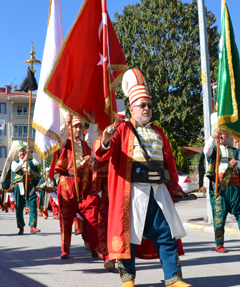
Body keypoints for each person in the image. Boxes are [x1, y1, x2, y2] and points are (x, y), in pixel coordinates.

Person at [94, 69, 190, 287]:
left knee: (167, 234)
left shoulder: (159, 132)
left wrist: (174, 188)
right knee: (128, 237)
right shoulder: (121, 129)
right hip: (132, 193)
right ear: (131, 108)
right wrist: (106, 139)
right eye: (142, 105)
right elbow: (101, 153)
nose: (147, 108)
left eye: (149, 105)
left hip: (158, 192)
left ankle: (173, 279)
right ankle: (128, 280)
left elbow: (170, 164)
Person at [204, 126, 240, 253]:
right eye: (219, 134)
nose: (221, 136)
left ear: (228, 136)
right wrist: (212, 138)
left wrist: (238, 164)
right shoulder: (213, 149)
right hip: (219, 189)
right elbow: (205, 151)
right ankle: (219, 244)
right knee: (219, 218)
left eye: (223, 134)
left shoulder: (236, 151)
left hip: (235, 189)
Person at [55, 114, 101, 261]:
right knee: (66, 219)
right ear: (71, 128)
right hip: (67, 184)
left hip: (84, 184)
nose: (78, 129)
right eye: (75, 127)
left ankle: (95, 248)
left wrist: (93, 123)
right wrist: (65, 124)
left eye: (80, 127)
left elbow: (94, 142)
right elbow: (58, 140)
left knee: (92, 216)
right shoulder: (65, 142)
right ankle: (65, 250)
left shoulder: (85, 146)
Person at [3, 141, 42, 235]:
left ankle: (33, 226)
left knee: (33, 205)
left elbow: (39, 161)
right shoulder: (14, 162)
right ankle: (21, 227)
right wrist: (23, 161)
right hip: (19, 185)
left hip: (30, 186)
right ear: (17, 154)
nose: (22, 152)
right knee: (19, 207)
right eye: (20, 151)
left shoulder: (31, 161)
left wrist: (32, 152)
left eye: (23, 151)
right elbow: (14, 169)